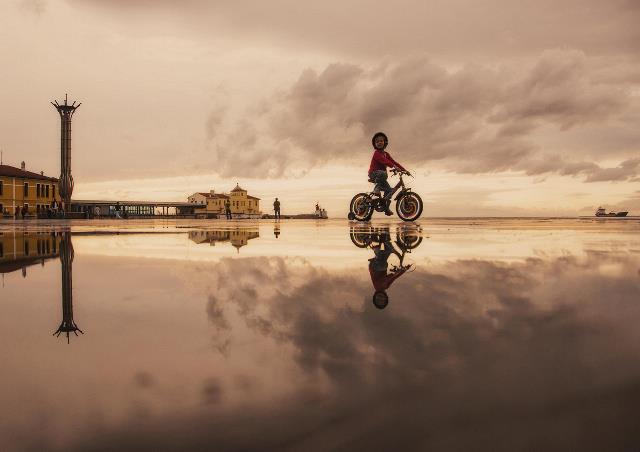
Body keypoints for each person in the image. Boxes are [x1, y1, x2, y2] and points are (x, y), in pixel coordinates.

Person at [368, 132, 409, 216]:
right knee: (384, 174)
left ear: (385, 142)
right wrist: (393, 166)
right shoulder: (376, 153)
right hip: (373, 173)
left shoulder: (386, 154)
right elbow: (385, 161)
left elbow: (393, 162)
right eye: (377, 141)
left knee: (390, 191)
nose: (379, 142)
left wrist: (404, 170)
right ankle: (376, 190)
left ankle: (385, 207)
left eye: (381, 141)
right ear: (375, 144)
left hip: (381, 176)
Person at [368, 231, 410, 309]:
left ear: (375, 296)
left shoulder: (379, 286)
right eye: (382, 299)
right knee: (389, 250)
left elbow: (386, 278)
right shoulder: (385, 287)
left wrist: (395, 273)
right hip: (379, 266)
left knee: (383, 264)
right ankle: (383, 237)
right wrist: (403, 270)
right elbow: (394, 278)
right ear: (386, 297)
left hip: (376, 266)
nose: (380, 298)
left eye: (378, 299)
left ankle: (377, 251)